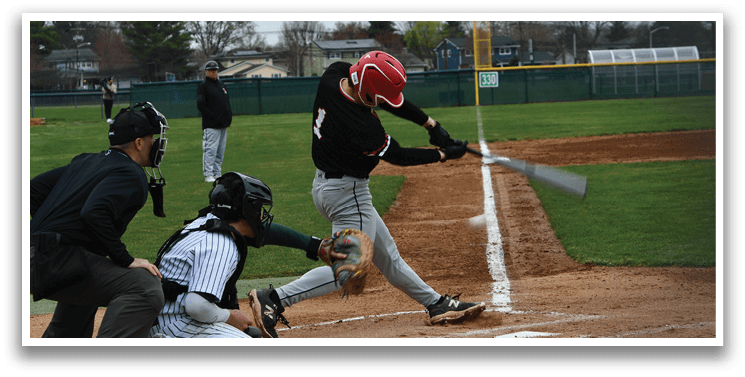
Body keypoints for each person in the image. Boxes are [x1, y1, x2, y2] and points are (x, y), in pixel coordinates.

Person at [248, 51, 485, 338]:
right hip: (348, 195)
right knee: (349, 269)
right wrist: (443, 154)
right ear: (367, 91)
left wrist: (430, 124)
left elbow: (384, 97)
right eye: (379, 98)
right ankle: (275, 299)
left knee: (387, 257)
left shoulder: (334, 75)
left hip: (326, 187)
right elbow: (398, 156)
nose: (384, 103)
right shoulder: (364, 127)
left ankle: (435, 303)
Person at [30, 102, 169, 338]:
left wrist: (49, 235)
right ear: (138, 143)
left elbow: (32, 190)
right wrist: (124, 259)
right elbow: (94, 212)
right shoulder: (130, 172)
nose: (154, 143)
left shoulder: (86, 161)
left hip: (40, 256)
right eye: (151, 138)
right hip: (52, 261)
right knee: (145, 287)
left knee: (87, 272)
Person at [150, 172, 344, 338]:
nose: (261, 216)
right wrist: (229, 317)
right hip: (176, 326)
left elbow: (265, 233)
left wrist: (314, 245)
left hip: (160, 317)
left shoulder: (206, 222)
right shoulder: (221, 244)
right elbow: (197, 306)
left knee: (252, 334)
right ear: (248, 211)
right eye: (259, 210)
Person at [197, 60, 232, 183]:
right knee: (210, 150)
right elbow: (200, 105)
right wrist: (212, 116)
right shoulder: (203, 86)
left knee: (220, 151)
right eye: (211, 70)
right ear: (206, 71)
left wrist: (228, 117)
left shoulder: (221, 85)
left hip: (223, 124)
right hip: (211, 125)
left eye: (215, 70)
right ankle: (208, 174)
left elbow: (226, 103)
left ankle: (217, 173)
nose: (214, 72)